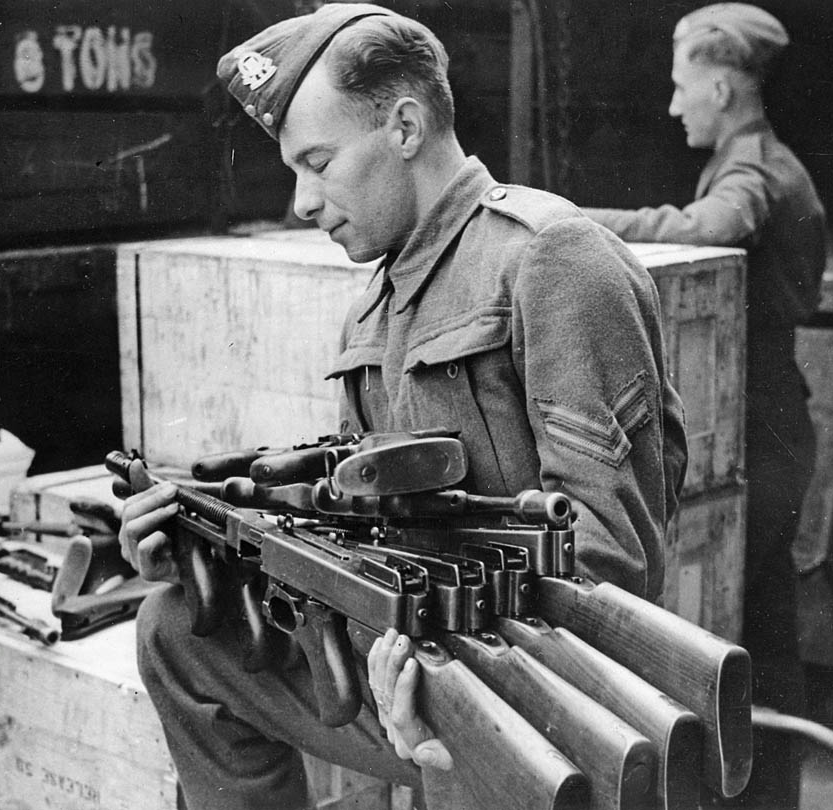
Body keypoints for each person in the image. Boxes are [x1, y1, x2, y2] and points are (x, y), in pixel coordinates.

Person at [119, 4, 687, 808]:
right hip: (404, 669)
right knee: (180, 632)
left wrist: (437, 663)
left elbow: (611, 563)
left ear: (407, 127)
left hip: (524, 691)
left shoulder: (552, 258)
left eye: (317, 162)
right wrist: (211, 550)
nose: (301, 202)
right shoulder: (376, 306)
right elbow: (364, 522)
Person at [581, 4, 826, 808]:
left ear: (722, 86)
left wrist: (575, 223)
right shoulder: (754, 156)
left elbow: (705, 230)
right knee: (759, 617)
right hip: (773, 411)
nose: (674, 104)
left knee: (749, 620)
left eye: (684, 86)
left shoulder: (751, 167)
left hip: (761, 418)